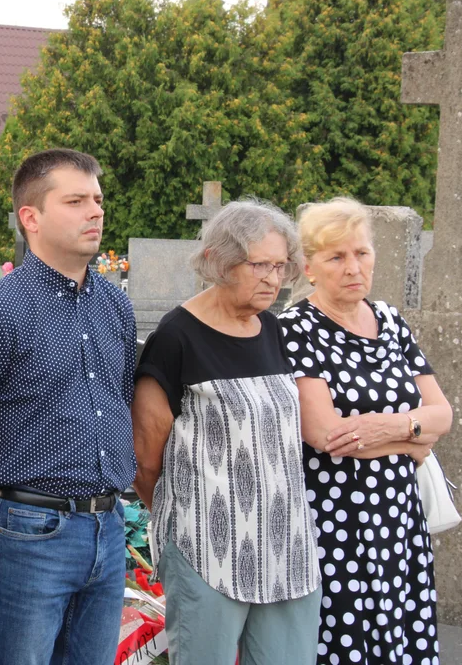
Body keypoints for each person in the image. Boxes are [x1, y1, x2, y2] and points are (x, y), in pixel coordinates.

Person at [0, 148, 136, 665]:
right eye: (75, 201)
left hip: (107, 524)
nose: (95, 211)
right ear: (31, 217)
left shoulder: (113, 303)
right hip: (30, 532)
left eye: (97, 199)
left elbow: (119, 403)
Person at [132, 199, 322, 665]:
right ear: (219, 260)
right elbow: (146, 457)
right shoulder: (177, 337)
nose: (273, 279)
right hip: (207, 549)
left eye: (280, 266)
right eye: (259, 264)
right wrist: (191, 519)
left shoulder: (272, 330)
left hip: (285, 544)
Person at [279, 197, 452, 665]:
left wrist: (389, 426)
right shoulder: (297, 329)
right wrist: (412, 441)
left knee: (403, 635)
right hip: (337, 521)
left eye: (362, 252)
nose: (353, 267)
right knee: (347, 643)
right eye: (337, 256)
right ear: (309, 267)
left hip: (398, 516)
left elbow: (442, 414)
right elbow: (326, 435)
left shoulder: (392, 322)